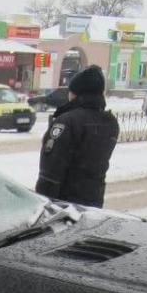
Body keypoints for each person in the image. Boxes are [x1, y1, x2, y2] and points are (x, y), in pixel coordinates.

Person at [36, 65, 119, 208]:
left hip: (63, 205)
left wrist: (43, 207)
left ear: (76, 93)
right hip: (94, 202)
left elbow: (50, 173)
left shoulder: (67, 122)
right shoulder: (110, 122)